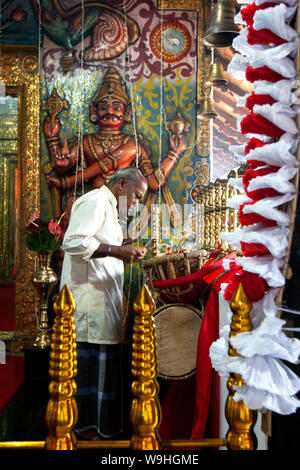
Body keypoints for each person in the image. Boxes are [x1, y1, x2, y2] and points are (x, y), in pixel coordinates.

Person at [60, 167, 148, 440]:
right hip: (90, 307)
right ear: (122, 184)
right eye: (136, 195)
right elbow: (72, 242)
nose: (136, 203)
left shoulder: (109, 207)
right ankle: (88, 439)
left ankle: (98, 436)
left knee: (102, 379)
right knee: (90, 381)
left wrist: (122, 251)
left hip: (103, 306)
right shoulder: (95, 201)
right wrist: (117, 250)